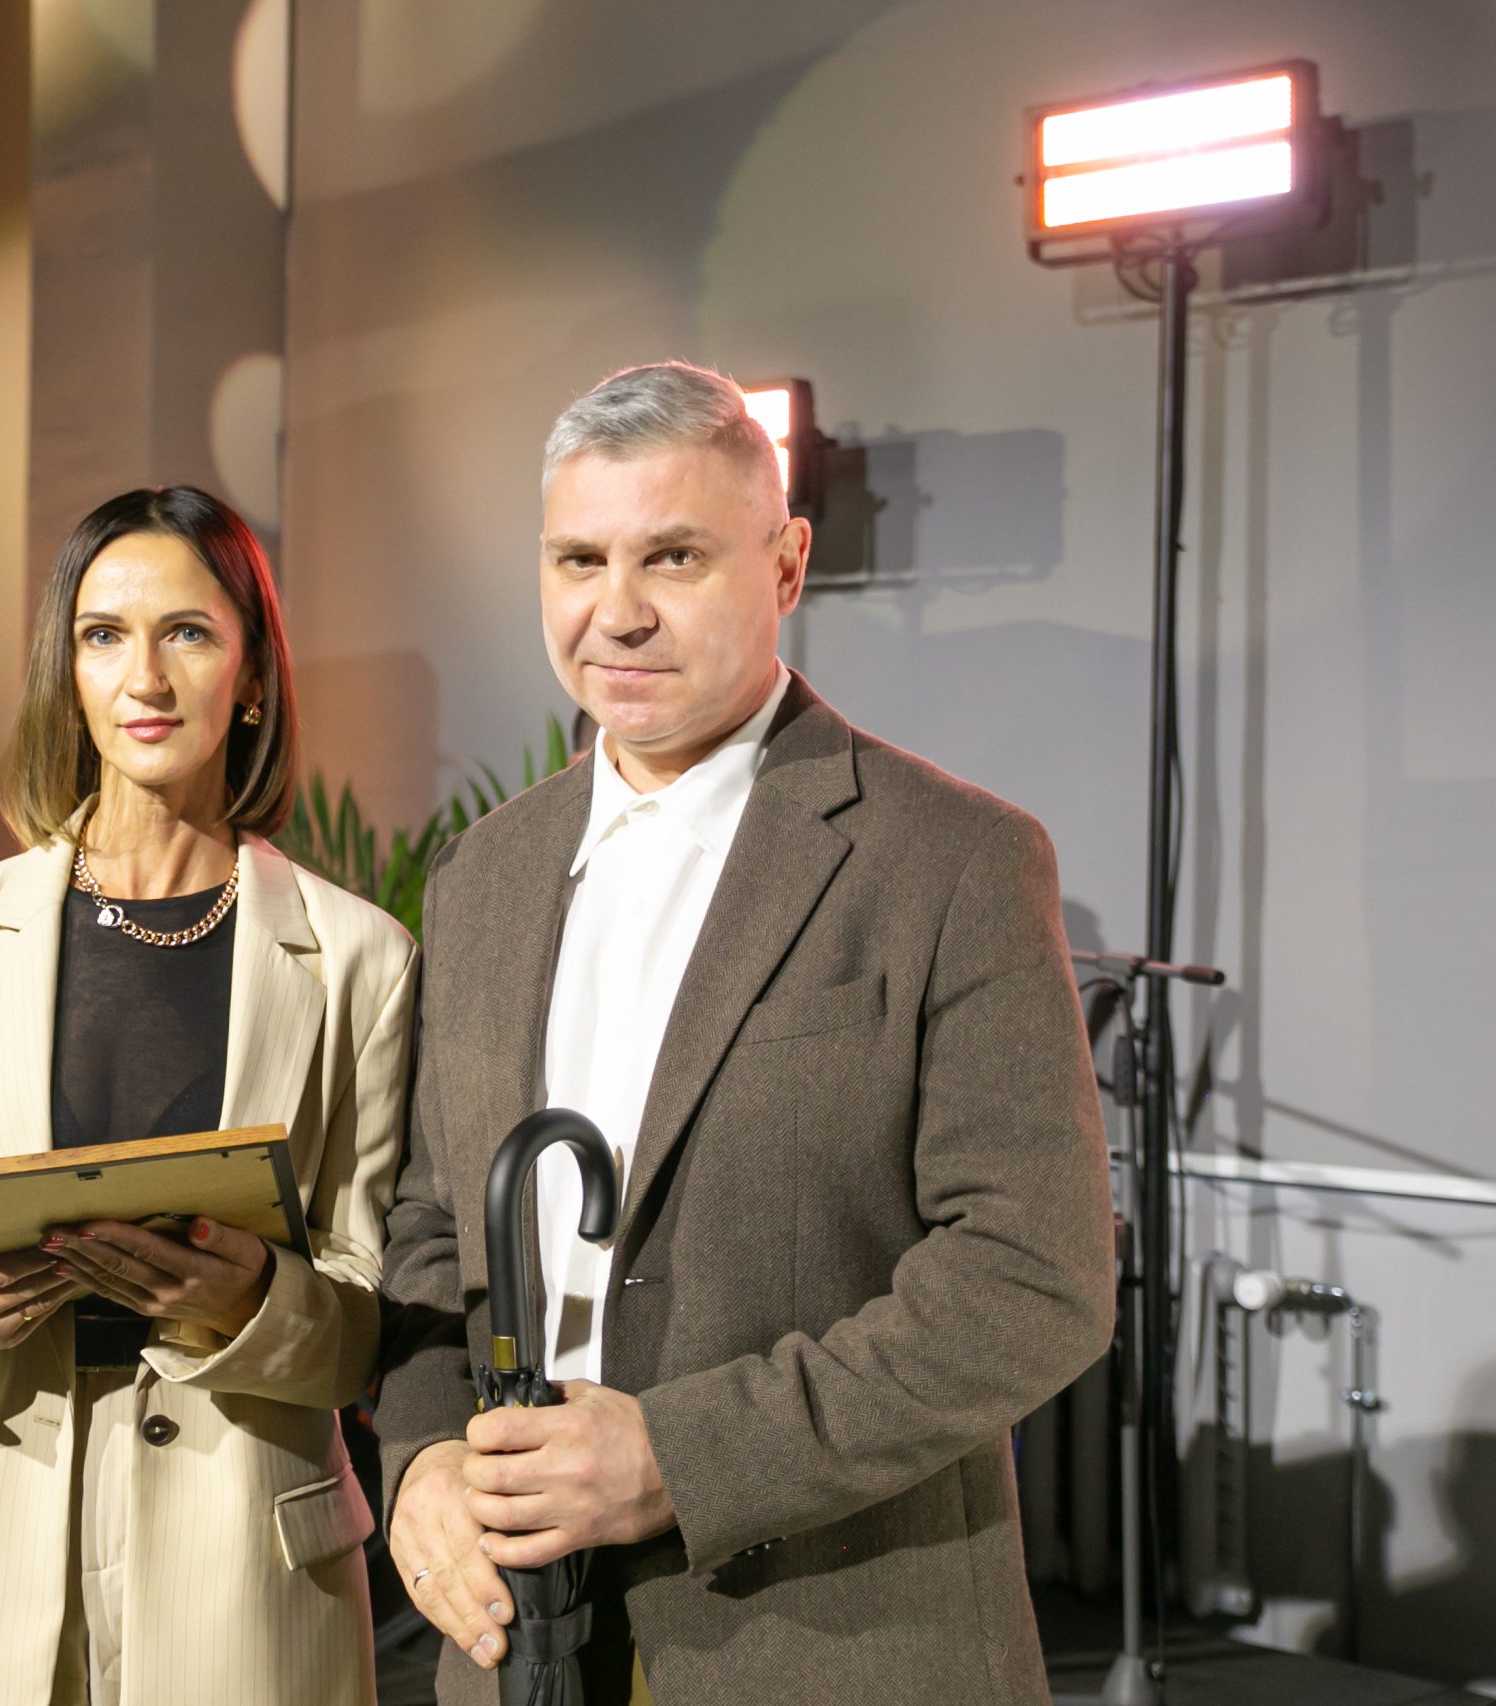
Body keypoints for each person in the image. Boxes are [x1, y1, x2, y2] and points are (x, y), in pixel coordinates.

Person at [375, 362, 1116, 1704]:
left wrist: (679, 1456)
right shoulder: (485, 874)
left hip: (835, 1648)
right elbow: (432, 1226)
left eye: (673, 556)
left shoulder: (950, 859)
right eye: (579, 559)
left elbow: (1034, 1274)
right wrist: (423, 1454)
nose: (617, 610)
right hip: (522, 1648)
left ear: (786, 565)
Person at [0, 486, 418, 1705]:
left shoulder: (360, 957)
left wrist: (253, 1302)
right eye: (103, 635)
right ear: (70, 674)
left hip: (242, 1546)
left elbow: (371, 1309)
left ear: (251, 675)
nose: (143, 676)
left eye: (187, 632)